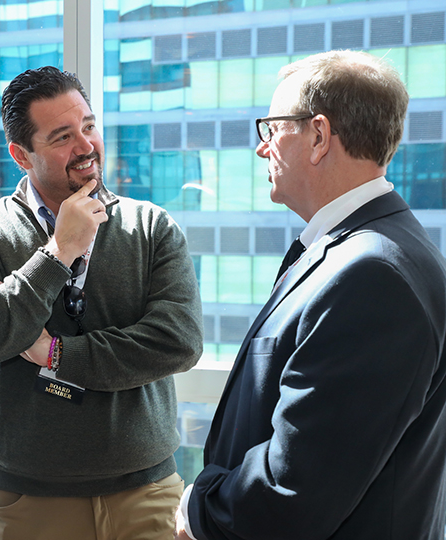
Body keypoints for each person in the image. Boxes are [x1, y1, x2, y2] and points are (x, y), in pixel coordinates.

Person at [175, 50, 446, 540]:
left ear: (319, 136)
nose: (263, 148)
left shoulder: (372, 275)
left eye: (273, 128)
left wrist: (200, 509)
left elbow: (294, 490)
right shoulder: (370, 250)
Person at [0, 66, 204, 540]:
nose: (85, 146)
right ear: (22, 155)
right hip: (24, 498)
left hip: (145, 490)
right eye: (62, 136)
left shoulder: (152, 227)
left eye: (88, 126)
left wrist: (55, 353)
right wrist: (58, 253)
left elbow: (177, 343)